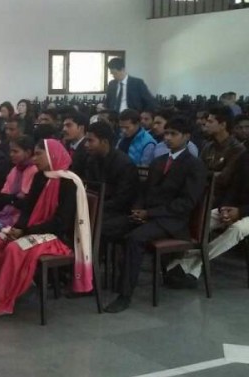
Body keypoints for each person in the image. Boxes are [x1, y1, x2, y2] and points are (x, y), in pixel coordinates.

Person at [0, 139, 92, 320]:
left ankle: (0, 302)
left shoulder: (70, 182)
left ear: (52, 155)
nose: (34, 159)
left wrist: (27, 231)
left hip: (57, 236)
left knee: (15, 249)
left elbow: (62, 222)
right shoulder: (40, 177)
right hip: (33, 229)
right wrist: (18, 228)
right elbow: (28, 209)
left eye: (38, 154)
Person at [103, 117, 207, 313]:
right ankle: (98, 280)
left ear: (187, 137)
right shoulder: (159, 161)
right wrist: (138, 209)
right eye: (166, 133)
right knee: (108, 228)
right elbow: (144, 192)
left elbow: (186, 203)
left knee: (135, 238)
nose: (167, 138)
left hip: (173, 221)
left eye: (173, 134)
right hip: (149, 216)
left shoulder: (194, 165)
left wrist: (149, 213)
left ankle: (125, 295)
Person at [166, 152, 249, 289]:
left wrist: (240, 212)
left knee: (237, 229)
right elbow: (233, 187)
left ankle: (188, 262)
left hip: (243, 211)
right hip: (235, 207)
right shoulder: (245, 156)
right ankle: (190, 270)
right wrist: (224, 208)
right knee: (204, 220)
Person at [80, 121, 140, 222]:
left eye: (90, 141)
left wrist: (95, 206)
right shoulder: (91, 160)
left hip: (118, 213)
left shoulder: (125, 165)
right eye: (86, 140)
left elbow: (123, 201)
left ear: (104, 142)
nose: (86, 145)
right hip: (98, 208)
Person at [0, 136, 38, 236]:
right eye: (11, 151)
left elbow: (25, 202)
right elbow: (2, 197)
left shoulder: (35, 171)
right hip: (4, 213)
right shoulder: (15, 169)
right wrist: (15, 198)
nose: (11, 154)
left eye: (15, 151)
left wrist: (12, 199)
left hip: (19, 219)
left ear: (28, 153)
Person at [200, 105, 246, 205]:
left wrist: (206, 174)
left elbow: (224, 178)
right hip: (205, 194)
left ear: (222, 125)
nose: (206, 124)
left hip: (224, 200)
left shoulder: (237, 149)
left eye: (210, 122)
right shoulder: (208, 146)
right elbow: (196, 173)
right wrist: (212, 174)